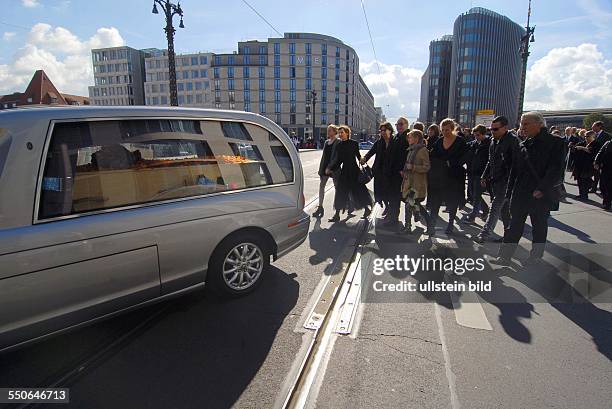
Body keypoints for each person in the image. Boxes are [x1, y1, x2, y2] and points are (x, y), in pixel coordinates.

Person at [491, 112, 565, 266]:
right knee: (514, 225)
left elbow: (556, 170)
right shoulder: (523, 143)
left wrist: (542, 188)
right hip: (520, 192)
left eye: (526, 124)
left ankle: (536, 257)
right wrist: (509, 193)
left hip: (540, 194)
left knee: (539, 226)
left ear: (539, 124)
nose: (522, 127)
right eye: (521, 124)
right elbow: (514, 170)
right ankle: (504, 256)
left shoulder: (555, 142)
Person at [427, 118, 468, 235]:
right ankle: (432, 225)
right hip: (440, 177)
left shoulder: (460, 141)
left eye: (447, 130)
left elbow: (465, 157)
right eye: (443, 130)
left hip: (455, 177)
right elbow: (432, 155)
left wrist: (452, 162)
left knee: (452, 201)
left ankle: (450, 224)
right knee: (435, 201)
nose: (445, 132)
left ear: (453, 129)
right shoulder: (439, 142)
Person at [326, 125, 373, 221]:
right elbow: (339, 160)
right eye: (339, 133)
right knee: (340, 192)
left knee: (359, 191)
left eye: (342, 132)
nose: (340, 134)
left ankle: (367, 209)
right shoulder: (339, 145)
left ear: (347, 133)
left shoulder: (354, 144)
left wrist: (362, 160)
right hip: (344, 172)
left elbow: (358, 156)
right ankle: (337, 215)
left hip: (354, 171)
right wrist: (331, 168)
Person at [400, 130, 431, 234]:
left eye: (410, 137)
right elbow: (407, 165)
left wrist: (413, 167)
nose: (408, 139)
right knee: (413, 204)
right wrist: (404, 171)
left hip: (416, 184)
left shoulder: (422, 150)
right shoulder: (411, 150)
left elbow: (426, 167)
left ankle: (408, 227)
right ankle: (428, 224)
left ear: (417, 138)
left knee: (410, 204)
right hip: (409, 182)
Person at [361, 121, 394, 215]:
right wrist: (364, 158)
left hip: (389, 172)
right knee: (379, 192)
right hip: (378, 171)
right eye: (381, 130)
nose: (382, 132)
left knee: (388, 192)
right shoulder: (379, 142)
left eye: (384, 130)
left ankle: (389, 209)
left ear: (390, 130)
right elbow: (371, 152)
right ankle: (386, 206)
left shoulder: (394, 141)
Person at [383, 117, 410, 227]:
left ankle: (410, 221)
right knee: (394, 197)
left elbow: (408, 155)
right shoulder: (396, 137)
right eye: (397, 124)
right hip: (393, 173)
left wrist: (403, 170)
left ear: (406, 125)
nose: (399, 126)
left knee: (407, 198)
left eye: (401, 124)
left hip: (402, 173)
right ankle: (393, 218)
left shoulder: (408, 137)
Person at [462, 124, 491, 223]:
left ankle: (473, 216)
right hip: (471, 172)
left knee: (477, 194)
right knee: (472, 193)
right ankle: (485, 209)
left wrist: (486, 175)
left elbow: (489, 160)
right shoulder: (473, 144)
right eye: (475, 135)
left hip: (481, 173)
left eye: (478, 135)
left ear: (484, 134)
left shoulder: (489, 144)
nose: (476, 137)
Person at [312, 125, 340, 218]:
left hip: (334, 168)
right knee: (321, 186)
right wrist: (322, 169)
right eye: (328, 130)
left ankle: (337, 211)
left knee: (337, 188)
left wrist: (330, 167)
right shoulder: (326, 142)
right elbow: (324, 156)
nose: (328, 132)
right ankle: (320, 207)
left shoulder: (338, 142)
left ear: (335, 132)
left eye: (330, 130)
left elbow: (337, 157)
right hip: (325, 167)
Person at [571, 131, 596, 200]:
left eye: (588, 136)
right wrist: (572, 146)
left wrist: (582, 148)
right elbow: (575, 147)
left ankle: (585, 195)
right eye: (585, 136)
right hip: (580, 165)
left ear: (592, 137)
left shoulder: (596, 143)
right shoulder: (583, 143)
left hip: (588, 166)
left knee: (585, 180)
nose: (586, 138)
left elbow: (591, 151)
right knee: (580, 180)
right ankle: (581, 194)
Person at [590, 121, 612, 193]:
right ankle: (594, 188)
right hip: (593, 157)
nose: (592, 127)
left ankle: (603, 189)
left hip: (603, 159)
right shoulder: (592, 135)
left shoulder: (607, 136)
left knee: (603, 175)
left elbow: (607, 149)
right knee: (595, 174)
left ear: (599, 126)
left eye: (594, 126)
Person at [594, 138, 612, 210]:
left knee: (610, 187)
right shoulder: (607, 143)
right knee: (602, 186)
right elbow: (600, 152)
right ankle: (606, 201)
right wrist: (596, 162)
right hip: (605, 168)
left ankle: (607, 203)